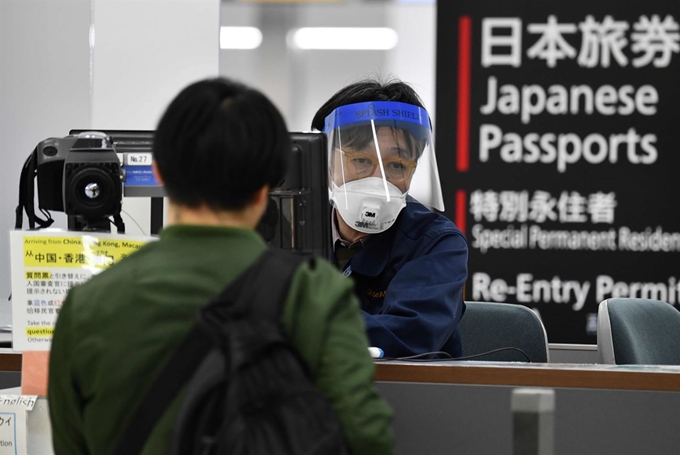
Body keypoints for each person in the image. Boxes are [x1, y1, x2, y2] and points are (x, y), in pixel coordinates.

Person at [48, 77, 394, 455]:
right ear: (267, 187)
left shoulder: (87, 306)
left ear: (160, 172)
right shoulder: (315, 293)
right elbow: (366, 439)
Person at [311, 77, 469, 359]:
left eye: (396, 165)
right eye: (360, 160)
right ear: (327, 162)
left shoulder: (437, 244)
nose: (378, 181)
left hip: (408, 397)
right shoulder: (291, 232)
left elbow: (411, 334)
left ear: (413, 170)